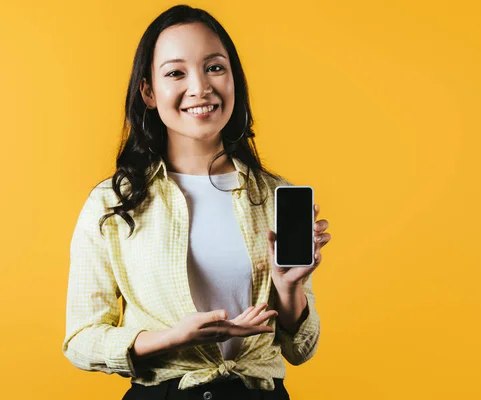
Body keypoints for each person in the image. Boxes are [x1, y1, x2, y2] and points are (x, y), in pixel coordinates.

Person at [62, 4, 331, 399]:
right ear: (149, 92)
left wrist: (289, 290)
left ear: (234, 79)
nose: (200, 87)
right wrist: (171, 338)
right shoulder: (112, 203)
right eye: (175, 73)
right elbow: (81, 340)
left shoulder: (274, 196)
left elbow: (300, 349)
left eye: (215, 67)